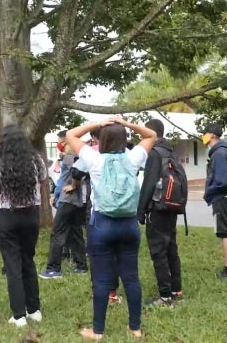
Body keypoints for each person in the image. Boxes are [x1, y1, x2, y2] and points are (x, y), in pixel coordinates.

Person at [68, 117, 157, 340]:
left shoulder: (94, 159)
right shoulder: (133, 158)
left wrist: (98, 123)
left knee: (101, 281)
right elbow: (151, 135)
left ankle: (97, 331)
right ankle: (135, 328)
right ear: (124, 139)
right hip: (128, 224)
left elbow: (71, 135)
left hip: (102, 224)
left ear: (102, 139)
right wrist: (126, 124)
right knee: (131, 278)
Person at [0, 125, 47, 328]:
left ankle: (19, 315)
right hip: (31, 215)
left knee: (12, 265)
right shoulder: (37, 161)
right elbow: (43, 186)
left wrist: (1, 207)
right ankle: (34, 310)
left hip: (7, 216)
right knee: (28, 260)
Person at [137, 119, 183, 308]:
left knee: (158, 252)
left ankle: (165, 296)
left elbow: (148, 184)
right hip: (171, 208)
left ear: (151, 133)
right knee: (171, 249)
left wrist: (141, 211)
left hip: (157, 209)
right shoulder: (170, 151)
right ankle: (176, 290)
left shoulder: (155, 153)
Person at [40, 131, 88, 279]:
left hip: (68, 200)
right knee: (75, 232)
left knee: (58, 232)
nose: (59, 145)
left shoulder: (69, 157)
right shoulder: (79, 157)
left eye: (60, 141)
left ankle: (53, 269)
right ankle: (81, 265)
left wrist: (72, 186)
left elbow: (75, 173)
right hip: (77, 201)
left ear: (67, 142)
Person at [202, 123, 227, 279]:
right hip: (223, 197)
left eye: (205, 133)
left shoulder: (219, 153)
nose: (203, 136)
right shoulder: (220, 151)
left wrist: (208, 191)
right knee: (224, 231)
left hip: (221, 197)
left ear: (213, 135)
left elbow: (222, 181)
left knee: (225, 232)